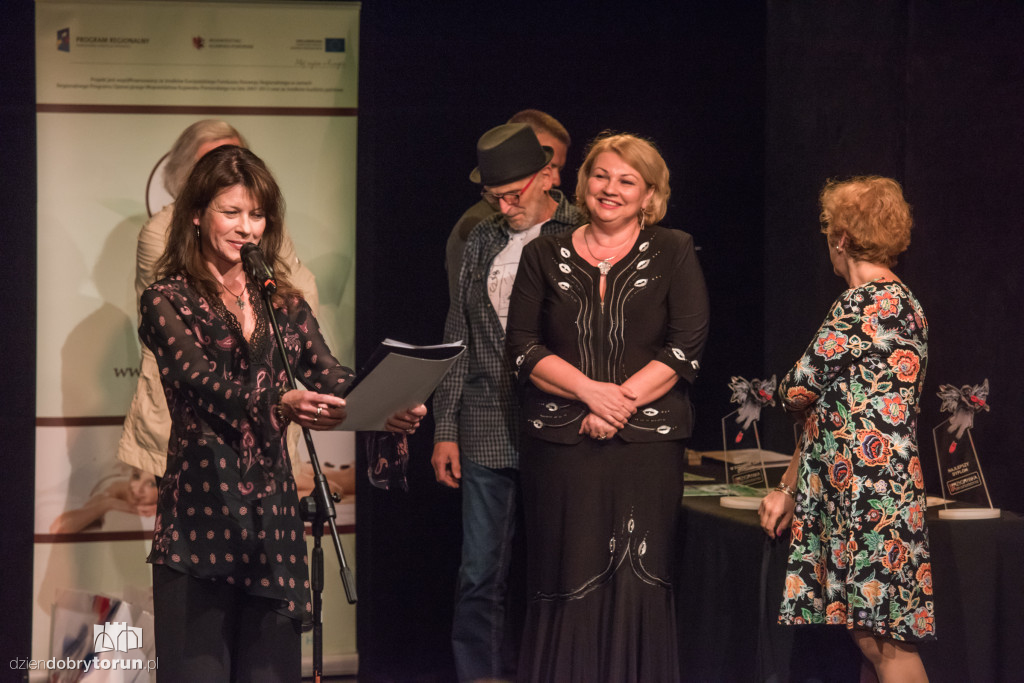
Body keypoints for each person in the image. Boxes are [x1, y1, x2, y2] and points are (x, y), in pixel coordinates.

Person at [140, 145, 425, 681]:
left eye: (257, 214)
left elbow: (329, 374)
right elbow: (200, 382)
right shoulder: (166, 298)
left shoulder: (282, 301)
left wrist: (386, 404)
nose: (246, 227)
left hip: (271, 518)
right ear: (197, 213)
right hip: (201, 514)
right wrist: (279, 402)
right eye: (231, 212)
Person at [505, 132, 709, 681]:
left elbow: (685, 347)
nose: (610, 189)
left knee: (639, 578)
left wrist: (616, 403)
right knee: (564, 572)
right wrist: (588, 392)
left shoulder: (674, 249)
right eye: (601, 176)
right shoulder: (542, 252)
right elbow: (522, 348)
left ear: (650, 194)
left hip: (646, 447)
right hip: (560, 446)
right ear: (583, 182)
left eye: (627, 180)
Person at [758, 176, 933, 682]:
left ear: (840, 238)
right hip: (884, 488)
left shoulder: (860, 304)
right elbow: (834, 407)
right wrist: (789, 484)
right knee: (871, 639)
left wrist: (792, 392)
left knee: (884, 644)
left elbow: (796, 389)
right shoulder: (907, 303)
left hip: (863, 495)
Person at [432, 122, 584, 682]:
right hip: (486, 426)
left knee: (563, 571)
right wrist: (445, 428)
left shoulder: (580, 231)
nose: (503, 206)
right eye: (492, 196)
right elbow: (459, 334)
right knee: (479, 574)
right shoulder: (483, 239)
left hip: (562, 426)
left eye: (513, 194)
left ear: (546, 175)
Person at [118, 119, 319, 480]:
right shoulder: (159, 234)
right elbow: (195, 334)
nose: (226, 169)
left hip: (266, 414)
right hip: (195, 423)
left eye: (235, 158)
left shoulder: (260, 231)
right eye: (212, 162)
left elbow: (298, 295)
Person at [445, 110, 571, 300]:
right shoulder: (475, 227)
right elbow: (466, 307)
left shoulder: (566, 223)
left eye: (558, 168)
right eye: (550, 166)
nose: (556, 179)